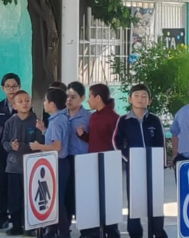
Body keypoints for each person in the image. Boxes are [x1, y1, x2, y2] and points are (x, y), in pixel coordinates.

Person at [113, 84, 168, 238]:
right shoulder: (124, 120)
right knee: (135, 202)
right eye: (136, 95)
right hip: (134, 168)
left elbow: (161, 143)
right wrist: (128, 158)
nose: (140, 99)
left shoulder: (154, 120)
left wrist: (160, 164)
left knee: (155, 202)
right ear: (130, 98)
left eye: (144, 96)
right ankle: (135, 233)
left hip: (154, 167)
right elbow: (116, 142)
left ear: (149, 101)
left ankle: (157, 231)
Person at [30, 88, 70, 238]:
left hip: (58, 163)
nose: (44, 104)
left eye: (46, 101)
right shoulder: (59, 119)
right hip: (61, 163)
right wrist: (44, 130)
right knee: (54, 199)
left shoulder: (56, 122)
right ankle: (53, 230)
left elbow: (57, 147)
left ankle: (63, 232)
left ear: (52, 104)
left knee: (56, 201)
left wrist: (39, 146)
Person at [81, 84, 120, 238]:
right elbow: (92, 139)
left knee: (109, 199)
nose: (88, 100)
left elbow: (117, 141)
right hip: (92, 163)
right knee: (94, 198)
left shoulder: (113, 118)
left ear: (98, 98)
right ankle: (95, 230)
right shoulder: (93, 116)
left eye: (90, 96)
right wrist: (82, 135)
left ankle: (112, 231)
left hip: (109, 164)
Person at [1, 90, 40, 236]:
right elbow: (3, 142)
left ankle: (30, 226)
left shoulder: (36, 121)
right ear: (14, 105)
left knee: (30, 198)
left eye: (27, 100)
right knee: (14, 198)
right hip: (13, 167)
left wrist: (22, 146)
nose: (25, 103)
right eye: (20, 101)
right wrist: (11, 146)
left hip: (31, 168)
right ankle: (16, 225)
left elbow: (39, 143)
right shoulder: (10, 122)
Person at [0, 73, 21, 231]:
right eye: (8, 86)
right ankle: (3, 217)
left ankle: (18, 219)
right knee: (2, 186)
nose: (11, 89)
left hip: (18, 157)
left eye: (14, 86)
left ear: (19, 87)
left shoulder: (24, 106)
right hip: (3, 155)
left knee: (17, 188)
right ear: (3, 88)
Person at [64, 82, 90, 232]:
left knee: (81, 195)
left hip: (81, 160)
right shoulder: (61, 115)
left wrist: (84, 136)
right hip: (65, 159)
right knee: (67, 194)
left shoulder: (88, 118)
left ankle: (85, 229)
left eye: (73, 97)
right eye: (67, 96)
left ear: (82, 98)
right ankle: (65, 227)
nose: (69, 100)